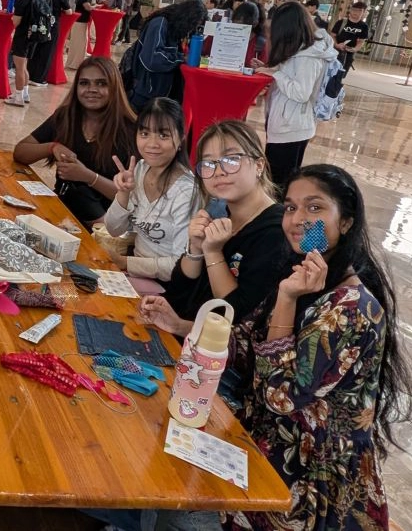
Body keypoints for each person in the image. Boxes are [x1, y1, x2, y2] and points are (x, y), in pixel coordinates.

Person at [223, 164, 408, 530]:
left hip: (312, 473)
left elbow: (282, 397)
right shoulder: (302, 273)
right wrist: (180, 325)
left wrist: (287, 299)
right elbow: (245, 342)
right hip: (272, 435)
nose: (298, 220)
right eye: (290, 208)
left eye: (315, 207)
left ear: (346, 222)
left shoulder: (352, 308)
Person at [144, 120, 287, 324]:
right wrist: (195, 248)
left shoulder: (276, 232)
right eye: (209, 163)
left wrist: (212, 252)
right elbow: (179, 288)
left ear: (259, 165)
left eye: (231, 159)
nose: (219, 171)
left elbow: (236, 315)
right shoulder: (218, 212)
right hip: (182, 328)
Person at [13, 57, 137, 227]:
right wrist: (52, 147)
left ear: (115, 87)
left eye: (101, 84)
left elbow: (134, 198)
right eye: (84, 83)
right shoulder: (66, 116)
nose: (91, 90)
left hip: (105, 226)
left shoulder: (130, 131)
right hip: (60, 213)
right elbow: (20, 152)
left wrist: (88, 177)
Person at [104, 97, 197, 281]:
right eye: (145, 134)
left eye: (163, 135)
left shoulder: (186, 192)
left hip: (166, 287)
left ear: (181, 139)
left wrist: (125, 263)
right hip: (136, 274)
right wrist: (124, 193)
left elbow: (180, 266)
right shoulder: (140, 169)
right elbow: (113, 229)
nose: (152, 144)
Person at [251, 1, 337, 187]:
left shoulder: (308, 56)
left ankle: (279, 215)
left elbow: (301, 92)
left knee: (278, 184)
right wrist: (269, 68)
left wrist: (276, 73)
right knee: (278, 180)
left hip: (291, 129)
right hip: (287, 124)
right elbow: (291, 72)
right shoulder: (301, 49)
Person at [125, 0, 207, 112]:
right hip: (145, 93)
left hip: (159, 94)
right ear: (187, 18)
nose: (192, 29)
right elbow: (153, 59)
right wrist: (180, 59)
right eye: (194, 24)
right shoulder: (159, 23)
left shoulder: (174, 29)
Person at [4, 0, 42, 107]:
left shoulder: (23, 0)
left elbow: (16, 22)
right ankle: (25, 94)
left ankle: (18, 97)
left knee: (19, 67)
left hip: (22, 36)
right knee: (24, 65)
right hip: (36, 35)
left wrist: (11, 17)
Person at [28, 0, 70, 85]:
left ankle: (29, 74)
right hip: (52, 25)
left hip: (39, 24)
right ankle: (39, 78)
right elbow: (69, 12)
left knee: (36, 49)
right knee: (47, 52)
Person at [330, 0, 368, 77]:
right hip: (334, 52)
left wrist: (354, 49)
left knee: (341, 75)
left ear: (363, 12)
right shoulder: (341, 22)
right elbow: (332, 36)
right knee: (330, 74)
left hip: (348, 55)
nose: (355, 12)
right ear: (350, 10)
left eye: (359, 11)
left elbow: (361, 41)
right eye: (354, 9)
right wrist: (337, 45)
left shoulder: (364, 26)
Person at [66, 0, 96, 70]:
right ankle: (76, 64)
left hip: (78, 21)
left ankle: (73, 63)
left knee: (77, 43)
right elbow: (88, 7)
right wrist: (96, 6)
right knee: (80, 44)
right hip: (80, 21)